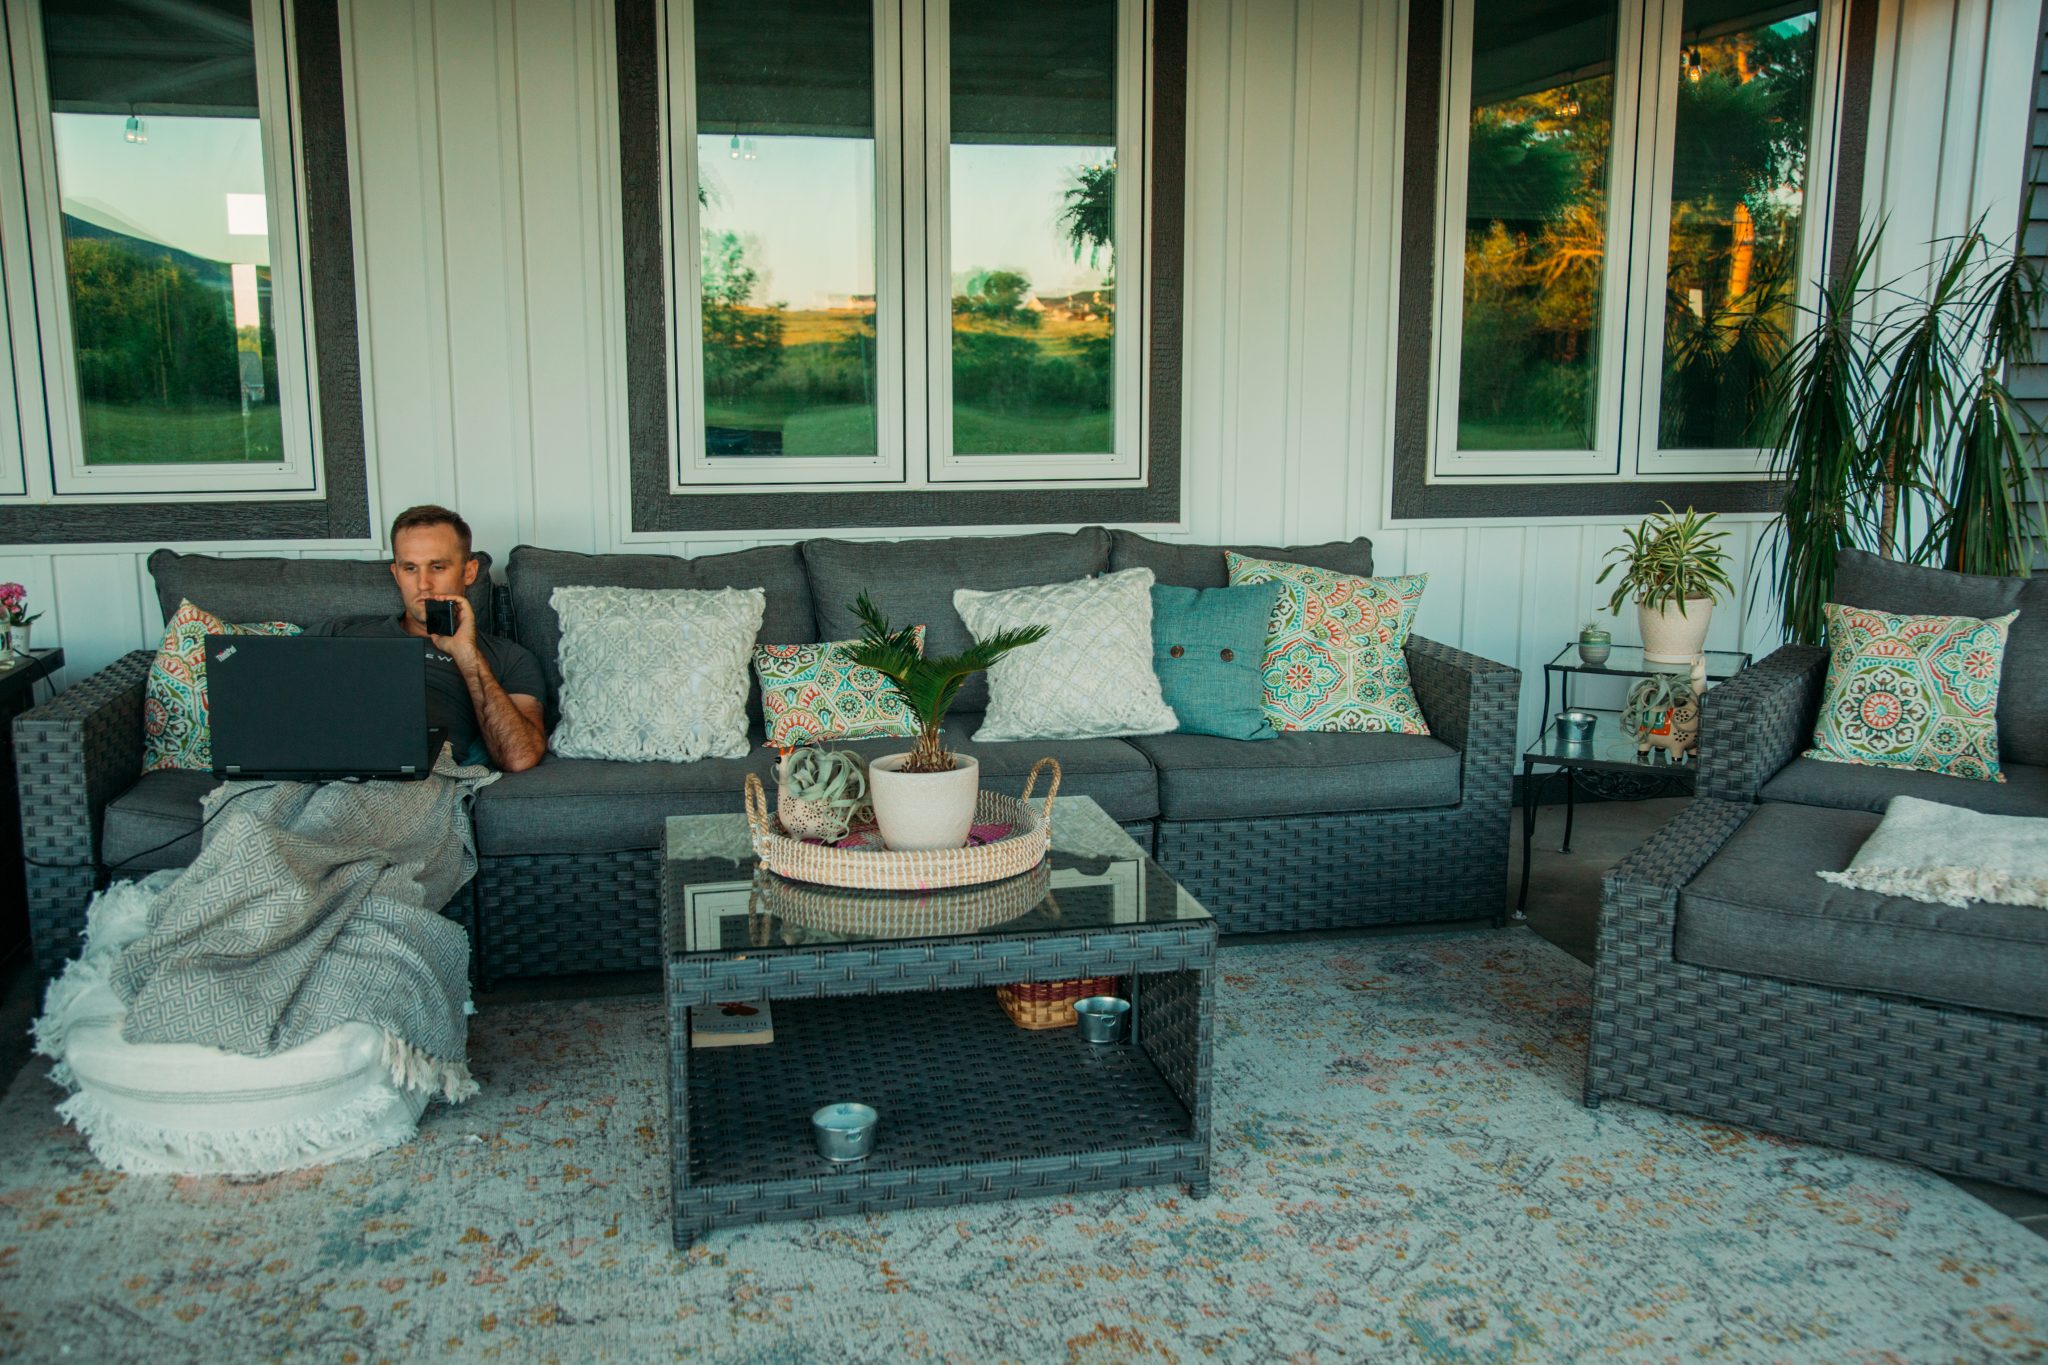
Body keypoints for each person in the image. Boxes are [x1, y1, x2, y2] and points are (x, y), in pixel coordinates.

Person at [311, 505, 548, 773]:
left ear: (469, 572)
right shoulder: (340, 631)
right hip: (319, 759)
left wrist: (467, 656)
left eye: (437, 567)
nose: (423, 584)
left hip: (416, 768)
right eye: (410, 568)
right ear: (396, 574)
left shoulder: (508, 658)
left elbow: (520, 757)